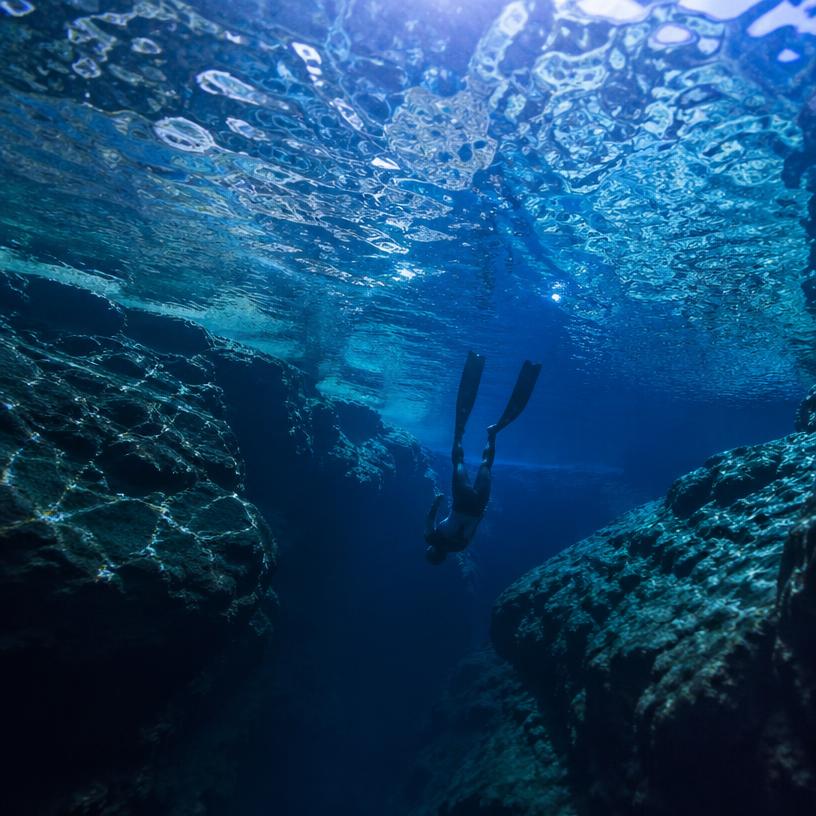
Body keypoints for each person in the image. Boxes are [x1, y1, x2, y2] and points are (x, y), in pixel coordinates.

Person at [425, 352, 541, 565]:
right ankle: (459, 432)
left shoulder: (460, 547)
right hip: (461, 500)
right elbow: (429, 519)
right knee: (458, 461)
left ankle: (493, 434)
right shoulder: (432, 538)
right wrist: (436, 502)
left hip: (478, 504)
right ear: (431, 551)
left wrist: (481, 513)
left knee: (487, 464)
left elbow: (475, 527)